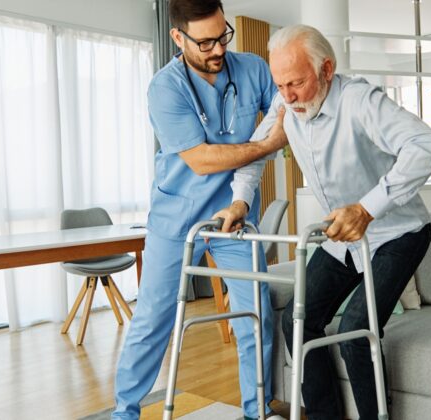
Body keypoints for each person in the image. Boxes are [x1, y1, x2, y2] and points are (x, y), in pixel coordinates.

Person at [214, 25, 431, 420]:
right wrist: (240, 202)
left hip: (397, 233)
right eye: (280, 84)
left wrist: (367, 208)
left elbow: (429, 145)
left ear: (327, 69)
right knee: (297, 321)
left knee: (357, 330)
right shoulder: (286, 104)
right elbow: (256, 152)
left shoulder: (359, 101)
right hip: (341, 237)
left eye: (297, 83)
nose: (287, 96)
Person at [111, 1, 288, 419]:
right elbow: (201, 159)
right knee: (154, 318)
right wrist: (264, 145)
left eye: (222, 36)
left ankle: (256, 411)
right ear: (178, 37)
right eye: (205, 42)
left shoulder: (253, 70)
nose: (217, 50)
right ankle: (124, 413)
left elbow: (287, 112)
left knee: (255, 314)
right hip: (177, 216)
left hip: (234, 216)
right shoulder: (164, 88)